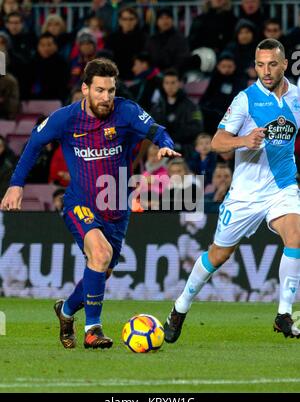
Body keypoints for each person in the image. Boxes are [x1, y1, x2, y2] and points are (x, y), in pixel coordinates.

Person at [0, 58, 180, 350]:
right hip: (80, 203)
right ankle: (92, 329)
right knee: (100, 252)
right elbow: (34, 143)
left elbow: (156, 130)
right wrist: (16, 184)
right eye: (99, 90)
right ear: (85, 89)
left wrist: (165, 143)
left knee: (100, 267)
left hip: (116, 210)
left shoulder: (127, 111)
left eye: (110, 90)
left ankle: (67, 310)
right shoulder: (65, 118)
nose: (106, 97)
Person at [163, 38, 300, 343]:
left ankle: (283, 313)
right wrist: (243, 141)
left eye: (272, 64)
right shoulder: (245, 100)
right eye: (260, 64)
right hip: (244, 195)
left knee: (296, 235)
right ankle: (181, 306)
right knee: (218, 255)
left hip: (283, 187)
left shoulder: (297, 98)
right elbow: (217, 141)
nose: (265, 71)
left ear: (285, 65)